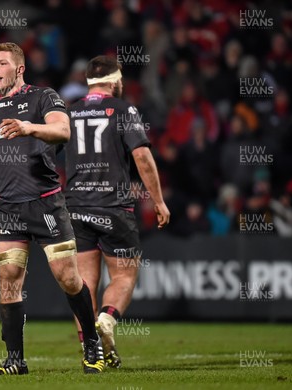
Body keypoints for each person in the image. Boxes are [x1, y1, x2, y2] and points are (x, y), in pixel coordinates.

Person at [0, 42, 105, 375]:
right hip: (8, 208)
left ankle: (91, 346)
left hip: (46, 202)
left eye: (1, 63)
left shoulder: (43, 97)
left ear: (19, 68)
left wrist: (29, 128)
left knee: (69, 279)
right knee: (9, 280)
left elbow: (63, 131)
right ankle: (15, 360)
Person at [64, 55, 170, 368]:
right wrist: (159, 200)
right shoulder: (124, 109)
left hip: (75, 207)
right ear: (114, 80)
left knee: (83, 282)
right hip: (113, 207)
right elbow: (142, 156)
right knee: (124, 274)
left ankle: (91, 351)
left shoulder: (69, 113)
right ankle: (107, 321)